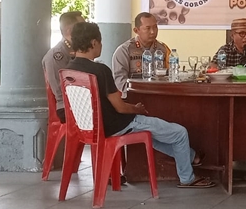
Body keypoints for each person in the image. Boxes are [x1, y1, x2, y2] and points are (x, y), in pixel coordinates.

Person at [67, 22, 215, 188]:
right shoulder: (100, 70)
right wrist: (137, 109)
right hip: (117, 124)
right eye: (100, 42)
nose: (101, 46)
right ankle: (188, 178)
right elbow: (120, 108)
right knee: (180, 133)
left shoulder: (68, 69)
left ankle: (192, 156)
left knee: (154, 136)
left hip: (90, 127)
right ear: (94, 43)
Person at [112, 12, 171, 94]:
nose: (153, 32)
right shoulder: (124, 51)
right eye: (148, 28)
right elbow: (120, 82)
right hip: (134, 98)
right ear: (136, 30)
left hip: (159, 95)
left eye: (155, 27)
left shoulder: (163, 49)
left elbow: (170, 76)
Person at [42, 11, 85, 123]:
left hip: (82, 104)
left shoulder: (78, 50)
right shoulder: (56, 55)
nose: (86, 30)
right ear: (69, 31)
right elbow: (60, 90)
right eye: (82, 26)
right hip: (67, 107)